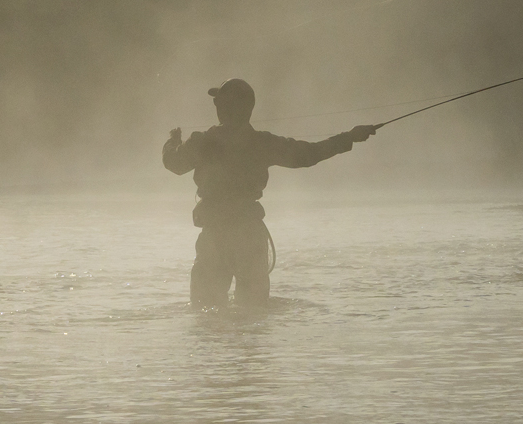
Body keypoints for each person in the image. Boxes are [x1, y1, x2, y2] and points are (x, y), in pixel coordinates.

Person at [161, 77, 377, 308]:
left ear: (224, 109)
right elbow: (309, 154)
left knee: (205, 308)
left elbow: (173, 163)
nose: (217, 107)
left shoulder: (203, 143)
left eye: (219, 103)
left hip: (215, 234)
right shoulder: (261, 143)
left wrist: (172, 141)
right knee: (254, 308)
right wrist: (350, 137)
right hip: (249, 234)